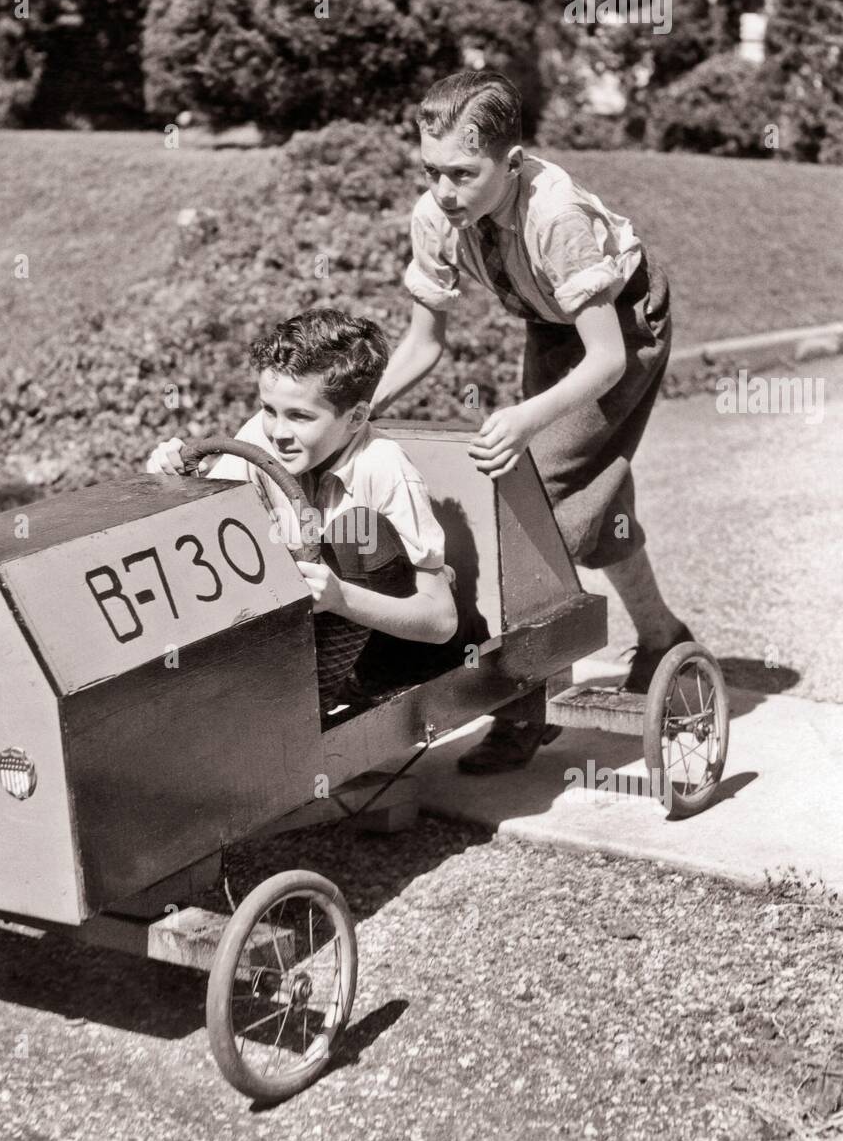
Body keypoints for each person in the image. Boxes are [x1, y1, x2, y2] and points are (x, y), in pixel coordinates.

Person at [369, 70, 694, 773]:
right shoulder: (437, 215)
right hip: (552, 331)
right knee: (579, 502)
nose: (444, 190)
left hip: (626, 330)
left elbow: (606, 359)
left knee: (526, 502)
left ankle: (525, 705)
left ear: (511, 163)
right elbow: (425, 342)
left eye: (462, 172)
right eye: (432, 171)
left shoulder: (556, 214)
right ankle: (663, 635)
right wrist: (359, 412)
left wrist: (521, 420)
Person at [145, 308, 466, 713]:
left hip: (383, 645)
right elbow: (204, 537)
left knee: (357, 528)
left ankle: (332, 696)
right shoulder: (257, 442)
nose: (279, 433)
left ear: (356, 418)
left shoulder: (384, 466)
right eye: (269, 409)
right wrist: (170, 480)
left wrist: (339, 598)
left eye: (300, 416)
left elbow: (441, 622)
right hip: (295, 639)